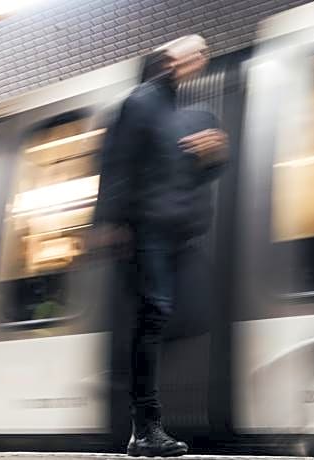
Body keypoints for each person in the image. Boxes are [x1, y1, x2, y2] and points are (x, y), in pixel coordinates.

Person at [93, 34, 228, 457]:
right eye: (193, 49)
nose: (201, 56)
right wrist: (110, 223)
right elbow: (116, 164)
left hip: (180, 236)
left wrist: (213, 157)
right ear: (170, 57)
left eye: (204, 52)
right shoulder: (142, 102)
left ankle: (134, 405)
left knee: (186, 316)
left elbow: (193, 175)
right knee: (155, 318)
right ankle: (144, 427)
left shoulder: (184, 115)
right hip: (147, 231)